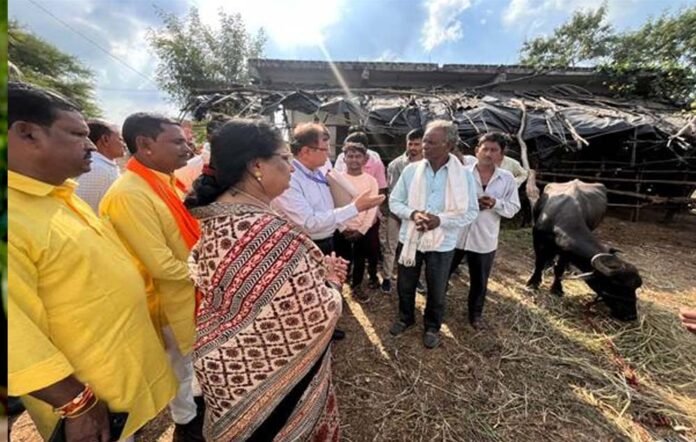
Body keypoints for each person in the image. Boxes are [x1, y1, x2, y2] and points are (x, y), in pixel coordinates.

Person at [8, 82, 176, 441]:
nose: (91, 145)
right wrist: (76, 403)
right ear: (27, 134)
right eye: (77, 134)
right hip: (88, 402)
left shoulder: (58, 194)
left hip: (118, 382)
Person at [185, 118, 345, 441]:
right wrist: (331, 282)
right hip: (273, 389)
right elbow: (319, 315)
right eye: (285, 158)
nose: (292, 167)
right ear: (257, 165)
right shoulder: (270, 236)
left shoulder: (219, 218)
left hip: (228, 374)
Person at [99, 113, 203, 442]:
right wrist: (211, 273)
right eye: (178, 142)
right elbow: (160, 266)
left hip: (188, 291)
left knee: (189, 365)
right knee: (179, 368)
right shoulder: (130, 194)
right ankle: (186, 424)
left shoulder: (166, 181)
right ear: (145, 145)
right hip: (165, 302)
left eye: (186, 141)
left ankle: (193, 414)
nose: (188, 149)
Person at [273, 123, 384, 340]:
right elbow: (309, 222)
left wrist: (348, 220)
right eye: (324, 149)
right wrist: (354, 208)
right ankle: (312, 337)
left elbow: (335, 199)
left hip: (327, 239)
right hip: (305, 245)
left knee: (324, 288)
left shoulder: (321, 169)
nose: (329, 154)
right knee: (306, 294)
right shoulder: (290, 179)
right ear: (306, 151)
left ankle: (325, 328)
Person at [388, 120, 478, 349]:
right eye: (424, 141)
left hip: (442, 243)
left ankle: (432, 326)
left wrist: (441, 221)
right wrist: (413, 214)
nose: (424, 146)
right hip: (410, 238)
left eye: (430, 142)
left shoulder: (464, 176)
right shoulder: (411, 170)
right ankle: (405, 318)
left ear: (448, 145)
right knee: (405, 284)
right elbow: (395, 202)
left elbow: (471, 212)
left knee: (437, 288)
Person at [451, 133, 521, 330]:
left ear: (501, 155)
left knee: (479, 281)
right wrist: (472, 204)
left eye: (494, 150)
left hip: (484, 239)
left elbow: (513, 208)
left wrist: (495, 203)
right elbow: (449, 200)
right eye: (485, 149)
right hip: (456, 236)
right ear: (477, 151)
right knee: (442, 274)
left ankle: (475, 315)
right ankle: (435, 308)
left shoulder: (507, 179)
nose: (489, 154)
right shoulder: (461, 173)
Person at [334, 141, 380, 303]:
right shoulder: (337, 179)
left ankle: (357, 286)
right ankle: (337, 289)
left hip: (362, 229)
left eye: (358, 156)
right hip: (341, 229)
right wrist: (342, 228)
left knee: (360, 259)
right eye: (350, 156)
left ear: (365, 159)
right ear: (344, 159)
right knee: (340, 260)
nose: (354, 159)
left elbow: (372, 207)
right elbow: (334, 204)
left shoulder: (371, 181)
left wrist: (363, 229)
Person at [382, 128, 425, 294]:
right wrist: (399, 212)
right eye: (410, 144)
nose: (413, 147)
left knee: (416, 246)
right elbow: (392, 192)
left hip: (418, 214)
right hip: (396, 213)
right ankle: (387, 277)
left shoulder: (429, 165)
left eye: (417, 144)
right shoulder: (396, 165)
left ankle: (415, 278)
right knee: (391, 245)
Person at [75, 118, 126, 213]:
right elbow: (83, 208)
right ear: (105, 140)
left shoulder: (102, 165)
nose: (124, 144)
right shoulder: (97, 169)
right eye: (120, 139)